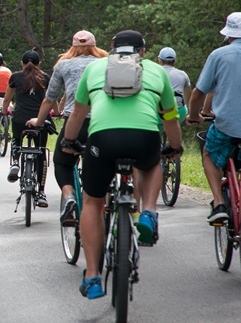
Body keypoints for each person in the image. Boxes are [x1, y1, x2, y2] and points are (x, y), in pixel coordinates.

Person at [61, 30, 182, 300]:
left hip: (103, 139)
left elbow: (78, 114)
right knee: (151, 166)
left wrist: (69, 142)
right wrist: (175, 147)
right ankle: (148, 212)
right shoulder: (156, 71)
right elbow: (171, 118)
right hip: (144, 137)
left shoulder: (95, 68)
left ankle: (92, 276)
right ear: (143, 51)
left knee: (92, 202)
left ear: (111, 48)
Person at [26, 31, 109, 223]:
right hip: (104, 120)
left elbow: (50, 98)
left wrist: (38, 122)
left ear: (72, 46)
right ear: (94, 45)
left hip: (76, 121)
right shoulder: (106, 63)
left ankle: (69, 197)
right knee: (102, 161)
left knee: (62, 162)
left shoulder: (64, 65)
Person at [186, 12, 241, 224]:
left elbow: (199, 93)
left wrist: (193, 116)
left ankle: (218, 203)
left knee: (209, 152)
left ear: (229, 35)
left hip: (227, 127)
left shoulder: (219, 55)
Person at [2, 50, 53, 207]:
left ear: (22, 63)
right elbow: (51, 98)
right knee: (41, 151)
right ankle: (42, 192)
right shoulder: (45, 77)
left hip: (20, 119)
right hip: (40, 120)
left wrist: (5, 111)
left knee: (17, 139)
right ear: (39, 64)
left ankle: (16, 162)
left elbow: (7, 99)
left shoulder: (16, 77)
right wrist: (56, 113)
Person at [157, 47, 191, 124]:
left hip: (159, 114)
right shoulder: (183, 74)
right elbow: (188, 99)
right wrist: (191, 114)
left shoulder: (155, 73)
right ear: (175, 61)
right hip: (179, 113)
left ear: (159, 60)